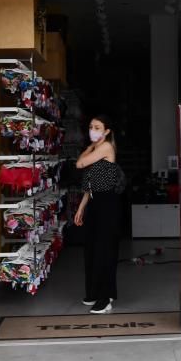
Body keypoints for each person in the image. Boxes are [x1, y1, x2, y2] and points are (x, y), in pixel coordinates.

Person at [73, 115, 123, 314]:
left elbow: (80, 164)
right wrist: (81, 208)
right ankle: (94, 291)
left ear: (106, 131)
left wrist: (88, 149)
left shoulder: (106, 148)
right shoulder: (96, 149)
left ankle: (106, 297)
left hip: (107, 204)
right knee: (92, 249)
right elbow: (89, 184)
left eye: (97, 127)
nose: (92, 130)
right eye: (91, 126)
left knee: (104, 251)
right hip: (94, 202)